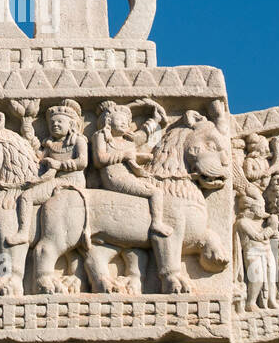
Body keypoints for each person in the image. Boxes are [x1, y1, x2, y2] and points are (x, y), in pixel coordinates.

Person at [10, 99, 88, 246]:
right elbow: (39, 158)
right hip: (54, 180)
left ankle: (23, 233)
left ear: (71, 124)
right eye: (52, 123)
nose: (55, 125)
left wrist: (58, 165)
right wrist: (29, 135)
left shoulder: (79, 140)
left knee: (26, 197)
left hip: (72, 180)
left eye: (59, 122)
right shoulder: (50, 144)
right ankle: (25, 232)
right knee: (27, 195)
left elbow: (82, 162)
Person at [93, 100, 169, 237]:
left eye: (127, 121)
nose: (125, 123)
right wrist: (125, 155)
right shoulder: (101, 136)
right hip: (114, 178)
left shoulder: (128, 140)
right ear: (108, 121)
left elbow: (143, 135)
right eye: (120, 119)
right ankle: (157, 223)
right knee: (155, 192)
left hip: (129, 175)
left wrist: (155, 119)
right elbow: (99, 160)